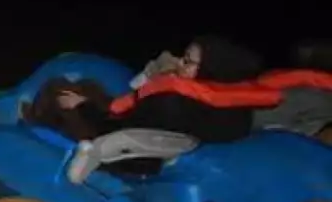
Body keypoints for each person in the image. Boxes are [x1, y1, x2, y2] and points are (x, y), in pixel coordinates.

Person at [49, 36, 274, 144]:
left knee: (58, 89)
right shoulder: (233, 111)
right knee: (90, 87)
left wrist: (81, 106)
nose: (179, 64)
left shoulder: (172, 102)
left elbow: (115, 128)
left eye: (187, 62)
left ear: (210, 69)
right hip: (154, 137)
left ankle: (34, 123)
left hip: (123, 147)